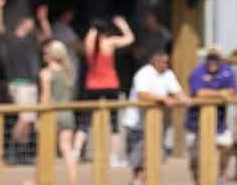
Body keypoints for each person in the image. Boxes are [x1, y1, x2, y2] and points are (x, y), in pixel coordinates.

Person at [123, 47, 187, 185]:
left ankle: (141, 181)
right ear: (154, 61)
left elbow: (178, 92)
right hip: (136, 123)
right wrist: (163, 99)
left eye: (166, 62)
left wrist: (186, 101)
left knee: (155, 157)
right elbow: (142, 95)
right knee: (138, 160)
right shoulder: (143, 74)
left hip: (157, 124)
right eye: (162, 62)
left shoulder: (168, 74)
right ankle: (137, 181)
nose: (165, 65)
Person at [0, 0, 42, 163]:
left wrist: (43, 19)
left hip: (31, 83)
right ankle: (10, 151)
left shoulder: (31, 40)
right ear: (22, 23)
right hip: (19, 83)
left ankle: (21, 153)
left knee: (30, 120)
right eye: (30, 22)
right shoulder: (11, 38)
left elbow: (47, 36)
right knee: (25, 118)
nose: (32, 25)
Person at [82, 15, 136, 166]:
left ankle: (75, 151)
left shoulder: (89, 41)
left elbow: (90, 38)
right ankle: (113, 157)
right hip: (110, 84)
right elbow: (130, 38)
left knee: (86, 120)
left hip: (92, 85)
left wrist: (92, 29)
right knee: (114, 124)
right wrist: (123, 24)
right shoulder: (109, 42)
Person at [187, 45, 237, 181]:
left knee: (226, 146)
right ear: (206, 59)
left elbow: (234, 90)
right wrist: (220, 94)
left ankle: (221, 176)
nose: (212, 61)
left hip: (220, 122)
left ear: (220, 59)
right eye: (210, 58)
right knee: (195, 160)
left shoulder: (228, 70)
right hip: (195, 121)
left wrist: (214, 94)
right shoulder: (197, 72)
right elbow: (199, 93)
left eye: (215, 58)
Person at [41, 40, 85, 185]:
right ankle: (73, 181)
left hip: (51, 114)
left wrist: (40, 116)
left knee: (46, 149)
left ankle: (44, 180)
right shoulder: (68, 71)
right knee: (67, 149)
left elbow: (45, 97)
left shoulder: (46, 73)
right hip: (67, 113)